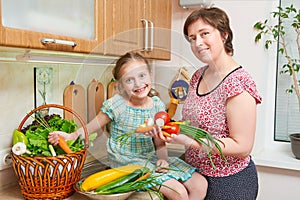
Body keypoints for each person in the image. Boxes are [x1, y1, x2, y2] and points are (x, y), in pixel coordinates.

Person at [48, 52, 207, 200]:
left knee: (200, 184)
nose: (138, 83)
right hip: (126, 162)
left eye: (142, 75)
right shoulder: (117, 104)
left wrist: (163, 160)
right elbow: (93, 125)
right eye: (129, 80)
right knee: (177, 192)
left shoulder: (157, 105)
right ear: (121, 85)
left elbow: (159, 140)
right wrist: (72, 136)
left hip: (150, 158)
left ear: (150, 75)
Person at [157, 7, 262, 200]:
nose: (198, 43)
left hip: (229, 182)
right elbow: (195, 123)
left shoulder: (237, 82)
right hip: (196, 177)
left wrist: (190, 142)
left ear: (224, 34)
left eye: (204, 33)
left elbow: (242, 146)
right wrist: (171, 128)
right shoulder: (198, 76)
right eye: (192, 38)